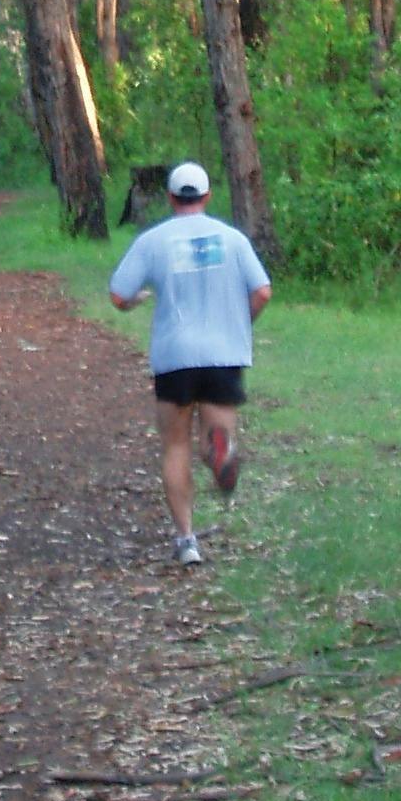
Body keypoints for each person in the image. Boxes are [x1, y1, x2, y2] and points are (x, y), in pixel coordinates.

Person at [108, 161, 272, 567]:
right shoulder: (231, 239)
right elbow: (263, 291)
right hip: (223, 353)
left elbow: (117, 294)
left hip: (175, 355)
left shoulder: (153, 240)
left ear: (169, 197)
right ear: (207, 197)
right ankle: (220, 450)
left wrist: (135, 302)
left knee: (174, 445)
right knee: (215, 432)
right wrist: (240, 322)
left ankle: (186, 540)